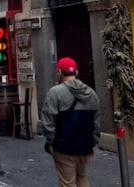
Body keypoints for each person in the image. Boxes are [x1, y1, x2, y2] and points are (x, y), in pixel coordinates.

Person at [41, 57, 101, 187]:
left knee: (67, 182)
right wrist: (92, 142)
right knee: (82, 177)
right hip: (85, 146)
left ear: (59, 72)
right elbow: (96, 122)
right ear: (76, 72)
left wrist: (51, 142)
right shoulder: (91, 93)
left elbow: (48, 121)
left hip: (64, 146)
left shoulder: (55, 92)